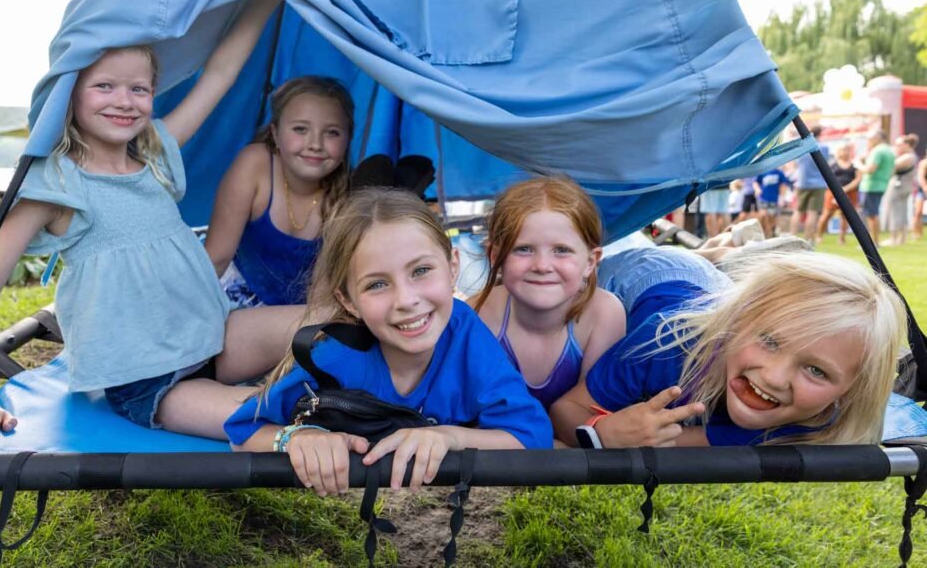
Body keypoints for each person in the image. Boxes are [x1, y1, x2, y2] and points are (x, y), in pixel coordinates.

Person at [0, 0, 287, 445]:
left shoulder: (157, 153)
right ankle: (288, 409)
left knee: (330, 323)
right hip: (150, 381)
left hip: (214, 339)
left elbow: (219, 75)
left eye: (139, 89)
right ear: (70, 93)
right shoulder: (57, 184)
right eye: (104, 86)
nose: (124, 100)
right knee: (271, 421)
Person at [225, 189, 552, 495]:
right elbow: (241, 432)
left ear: (453, 267)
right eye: (378, 284)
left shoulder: (466, 336)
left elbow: (534, 438)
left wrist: (448, 437)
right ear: (349, 301)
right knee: (181, 405)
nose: (406, 300)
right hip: (246, 363)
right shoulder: (337, 358)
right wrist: (297, 438)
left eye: (421, 270)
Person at [549, 247, 905, 447]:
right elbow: (567, 408)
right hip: (643, 276)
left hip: (710, 289)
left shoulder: (822, 417)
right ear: (736, 323)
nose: (775, 378)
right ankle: (718, 253)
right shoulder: (665, 344)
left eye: (816, 370)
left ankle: (721, 254)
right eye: (769, 341)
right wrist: (602, 433)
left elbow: (691, 443)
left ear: (850, 390)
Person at [471, 177, 626, 410]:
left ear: (590, 262)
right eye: (523, 249)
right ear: (495, 257)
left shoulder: (604, 315)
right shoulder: (477, 315)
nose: (542, 266)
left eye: (561, 250)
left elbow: (594, 415)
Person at [205, 76, 355, 308]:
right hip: (233, 292)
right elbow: (216, 259)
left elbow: (320, 299)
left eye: (332, 133)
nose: (315, 143)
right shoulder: (255, 165)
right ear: (275, 133)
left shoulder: (345, 198)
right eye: (300, 129)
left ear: (348, 140)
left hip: (299, 315)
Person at [789, 125, 830, 242]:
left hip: (802, 182)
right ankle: (808, 240)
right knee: (812, 213)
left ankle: (792, 237)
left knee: (797, 211)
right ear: (820, 133)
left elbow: (796, 163)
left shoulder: (801, 147)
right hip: (818, 184)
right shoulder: (824, 147)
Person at [816, 142, 861, 244]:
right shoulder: (833, 164)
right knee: (826, 215)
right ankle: (819, 236)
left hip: (850, 192)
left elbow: (858, 178)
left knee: (846, 216)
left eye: (847, 150)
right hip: (833, 193)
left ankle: (842, 238)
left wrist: (846, 189)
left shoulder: (854, 164)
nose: (845, 152)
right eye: (843, 150)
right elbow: (827, 178)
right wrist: (837, 191)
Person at [856, 130, 896, 245]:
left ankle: (873, 242)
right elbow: (892, 170)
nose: (869, 141)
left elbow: (870, 169)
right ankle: (874, 241)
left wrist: (858, 164)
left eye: (870, 139)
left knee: (871, 214)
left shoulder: (878, 151)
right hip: (881, 185)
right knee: (873, 213)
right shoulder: (889, 150)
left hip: (870, 185)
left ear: (877, 138)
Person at [881, 134, 918, 246]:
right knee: (901, 213)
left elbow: (890, 168)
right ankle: (901, 238)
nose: (897, 147)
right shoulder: (911, 156)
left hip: (899, 187)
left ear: (907, 144)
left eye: (899, 145)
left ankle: (894, 238)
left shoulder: (907, 157)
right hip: (904, 187)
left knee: (895, 213)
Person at [754, 166, 791, 236]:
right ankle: (762, 232)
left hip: (774, 199)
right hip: (762, 198)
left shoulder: (779, 173)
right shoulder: (763, 171)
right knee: (763, 215)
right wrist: (757, 189)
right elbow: (756, 182)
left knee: (771, 217)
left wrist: (782, 197)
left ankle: (771, 232)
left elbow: (784, 184)